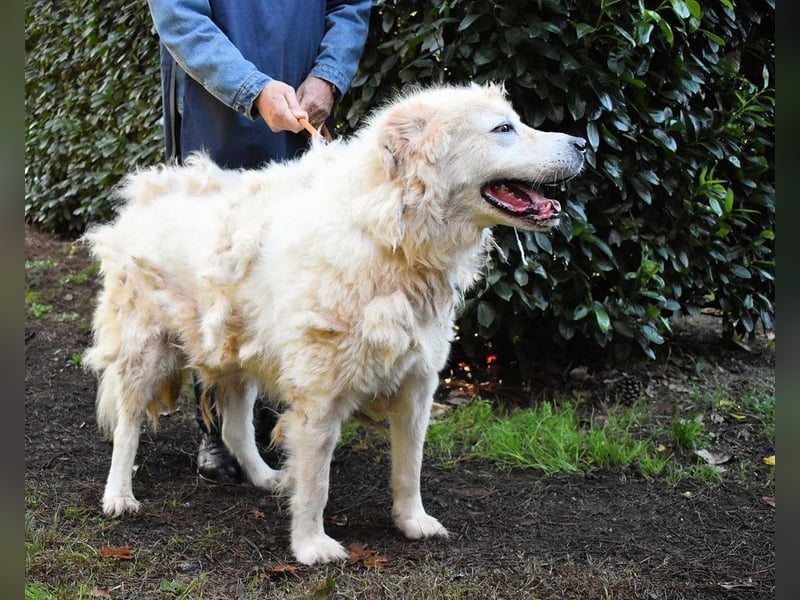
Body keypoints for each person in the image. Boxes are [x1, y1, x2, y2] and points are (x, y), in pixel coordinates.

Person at [146, 0, 371, 483]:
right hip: (215, 116)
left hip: (302, 104)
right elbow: (180, 17)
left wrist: (328, 75)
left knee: (294, 262)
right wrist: (253, 89)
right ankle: (218, 428)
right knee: (216, 269)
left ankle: (276, 419)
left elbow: (350, 5)